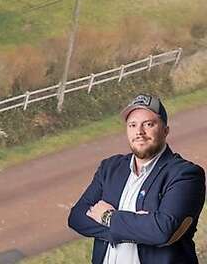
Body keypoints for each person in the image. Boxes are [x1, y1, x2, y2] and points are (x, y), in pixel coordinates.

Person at [69, 94, 205, 263]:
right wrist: (138, 228)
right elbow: (77, 217)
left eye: (148, 124)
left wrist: (108, 217)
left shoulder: (185, 174)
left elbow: (162, 230)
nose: (139, 132)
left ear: (165, 130)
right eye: (132, 125)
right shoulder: (110, 168)